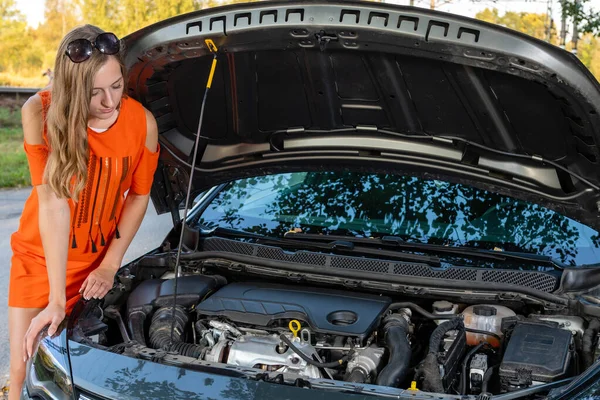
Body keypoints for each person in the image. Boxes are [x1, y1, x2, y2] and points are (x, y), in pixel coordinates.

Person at [8, 24, 159, 399]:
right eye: (95, 93)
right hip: (40, 257)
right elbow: (52, 204)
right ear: (74, 89)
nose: (110, 102)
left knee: (80, 374)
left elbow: (138, 197)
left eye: (117, 86)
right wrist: (56, 299)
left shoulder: (143, 123)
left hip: (96, 267)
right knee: (22, 367)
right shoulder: (39, 113)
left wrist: (110, 265)